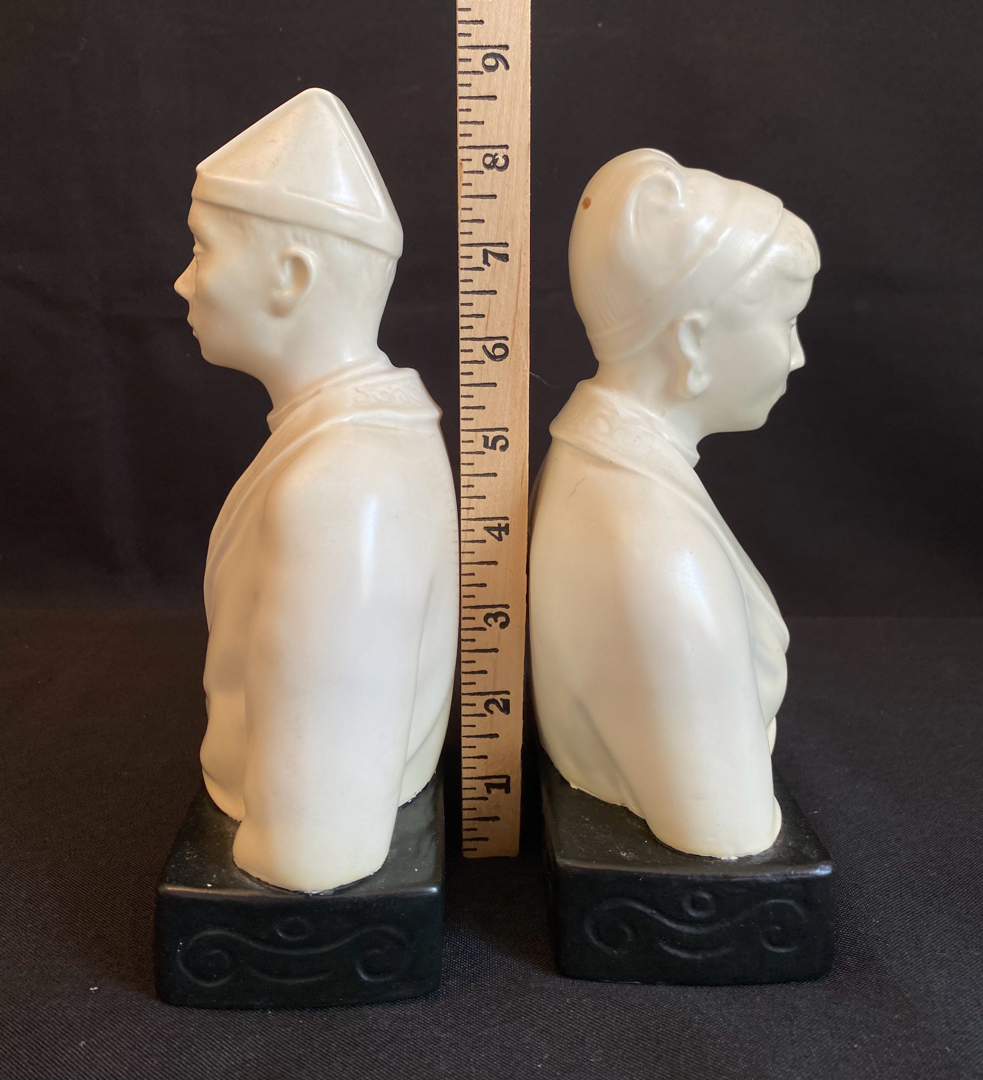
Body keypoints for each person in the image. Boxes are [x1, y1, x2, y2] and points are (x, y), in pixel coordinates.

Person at [173, 89, 458, 892]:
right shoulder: (361, 440)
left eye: (202, 251)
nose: (184, 282)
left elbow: (314, 847)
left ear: (291, 276)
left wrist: (280, 860)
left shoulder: (342, 490)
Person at [529, 149, 820, 858]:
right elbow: (724, 824)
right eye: (784, 322)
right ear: (691, 340)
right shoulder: (656, 546)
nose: (796, 355)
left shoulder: (596, 464)